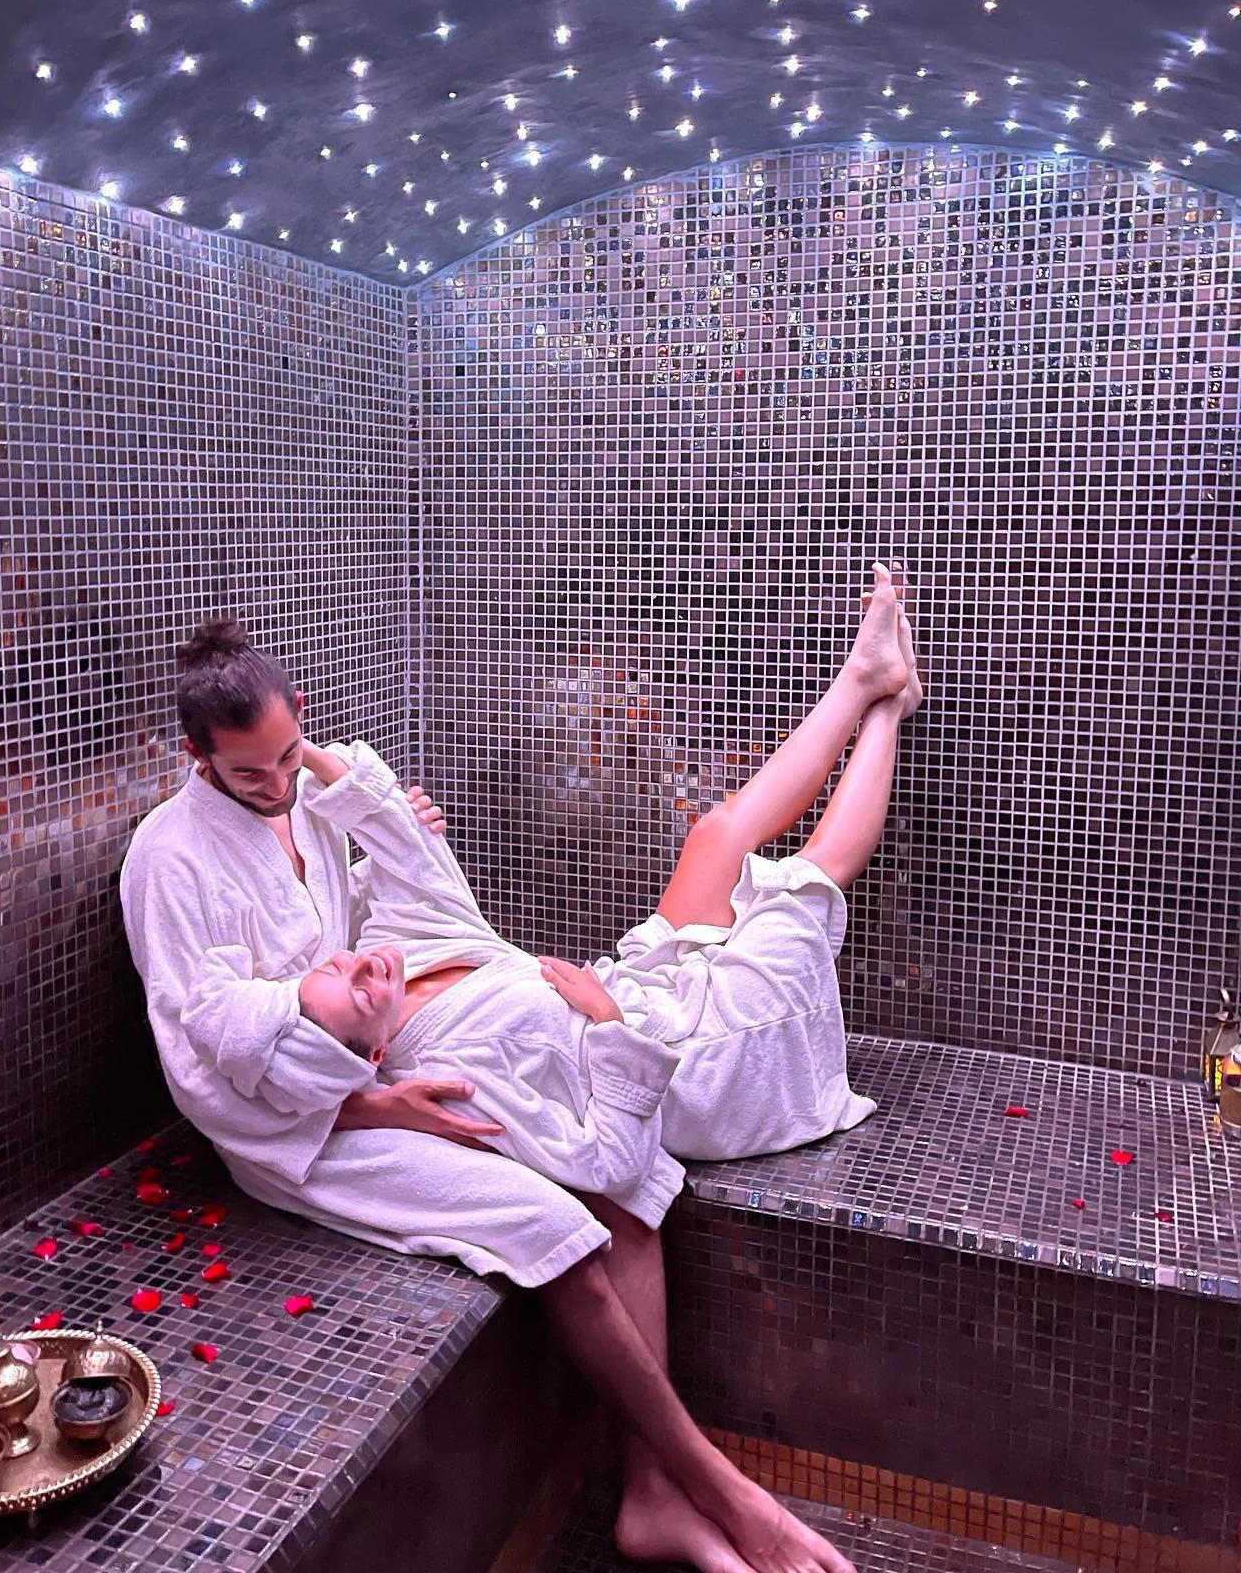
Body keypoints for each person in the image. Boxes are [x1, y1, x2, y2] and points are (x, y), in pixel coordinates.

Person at [119, 567, 920, 1572]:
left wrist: (354, 808)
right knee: (565, 1219)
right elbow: (208, 1064)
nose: (277, 786)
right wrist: (378, 1103)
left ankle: (655, 1495)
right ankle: (718, 1488)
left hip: (418, 1042)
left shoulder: (304, 802)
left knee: (635, 1174)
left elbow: (347, 913)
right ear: (194, 756)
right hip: (311, 1122)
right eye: (249, 774)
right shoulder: (168, 861)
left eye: (289, 755)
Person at [276, 564, 920, 1222]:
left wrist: (297, 756)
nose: (363, 965)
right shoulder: (448, 1074)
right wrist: (610, 1027)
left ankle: (863, 677)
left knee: (716, 835)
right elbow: (610, 1165)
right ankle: (889, 710)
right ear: (377, 1055)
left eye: (336, 964)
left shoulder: (401, 954)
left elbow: (401, 843)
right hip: (700, 1061)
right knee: (806, 879)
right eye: (358, 990)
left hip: (645, 988)